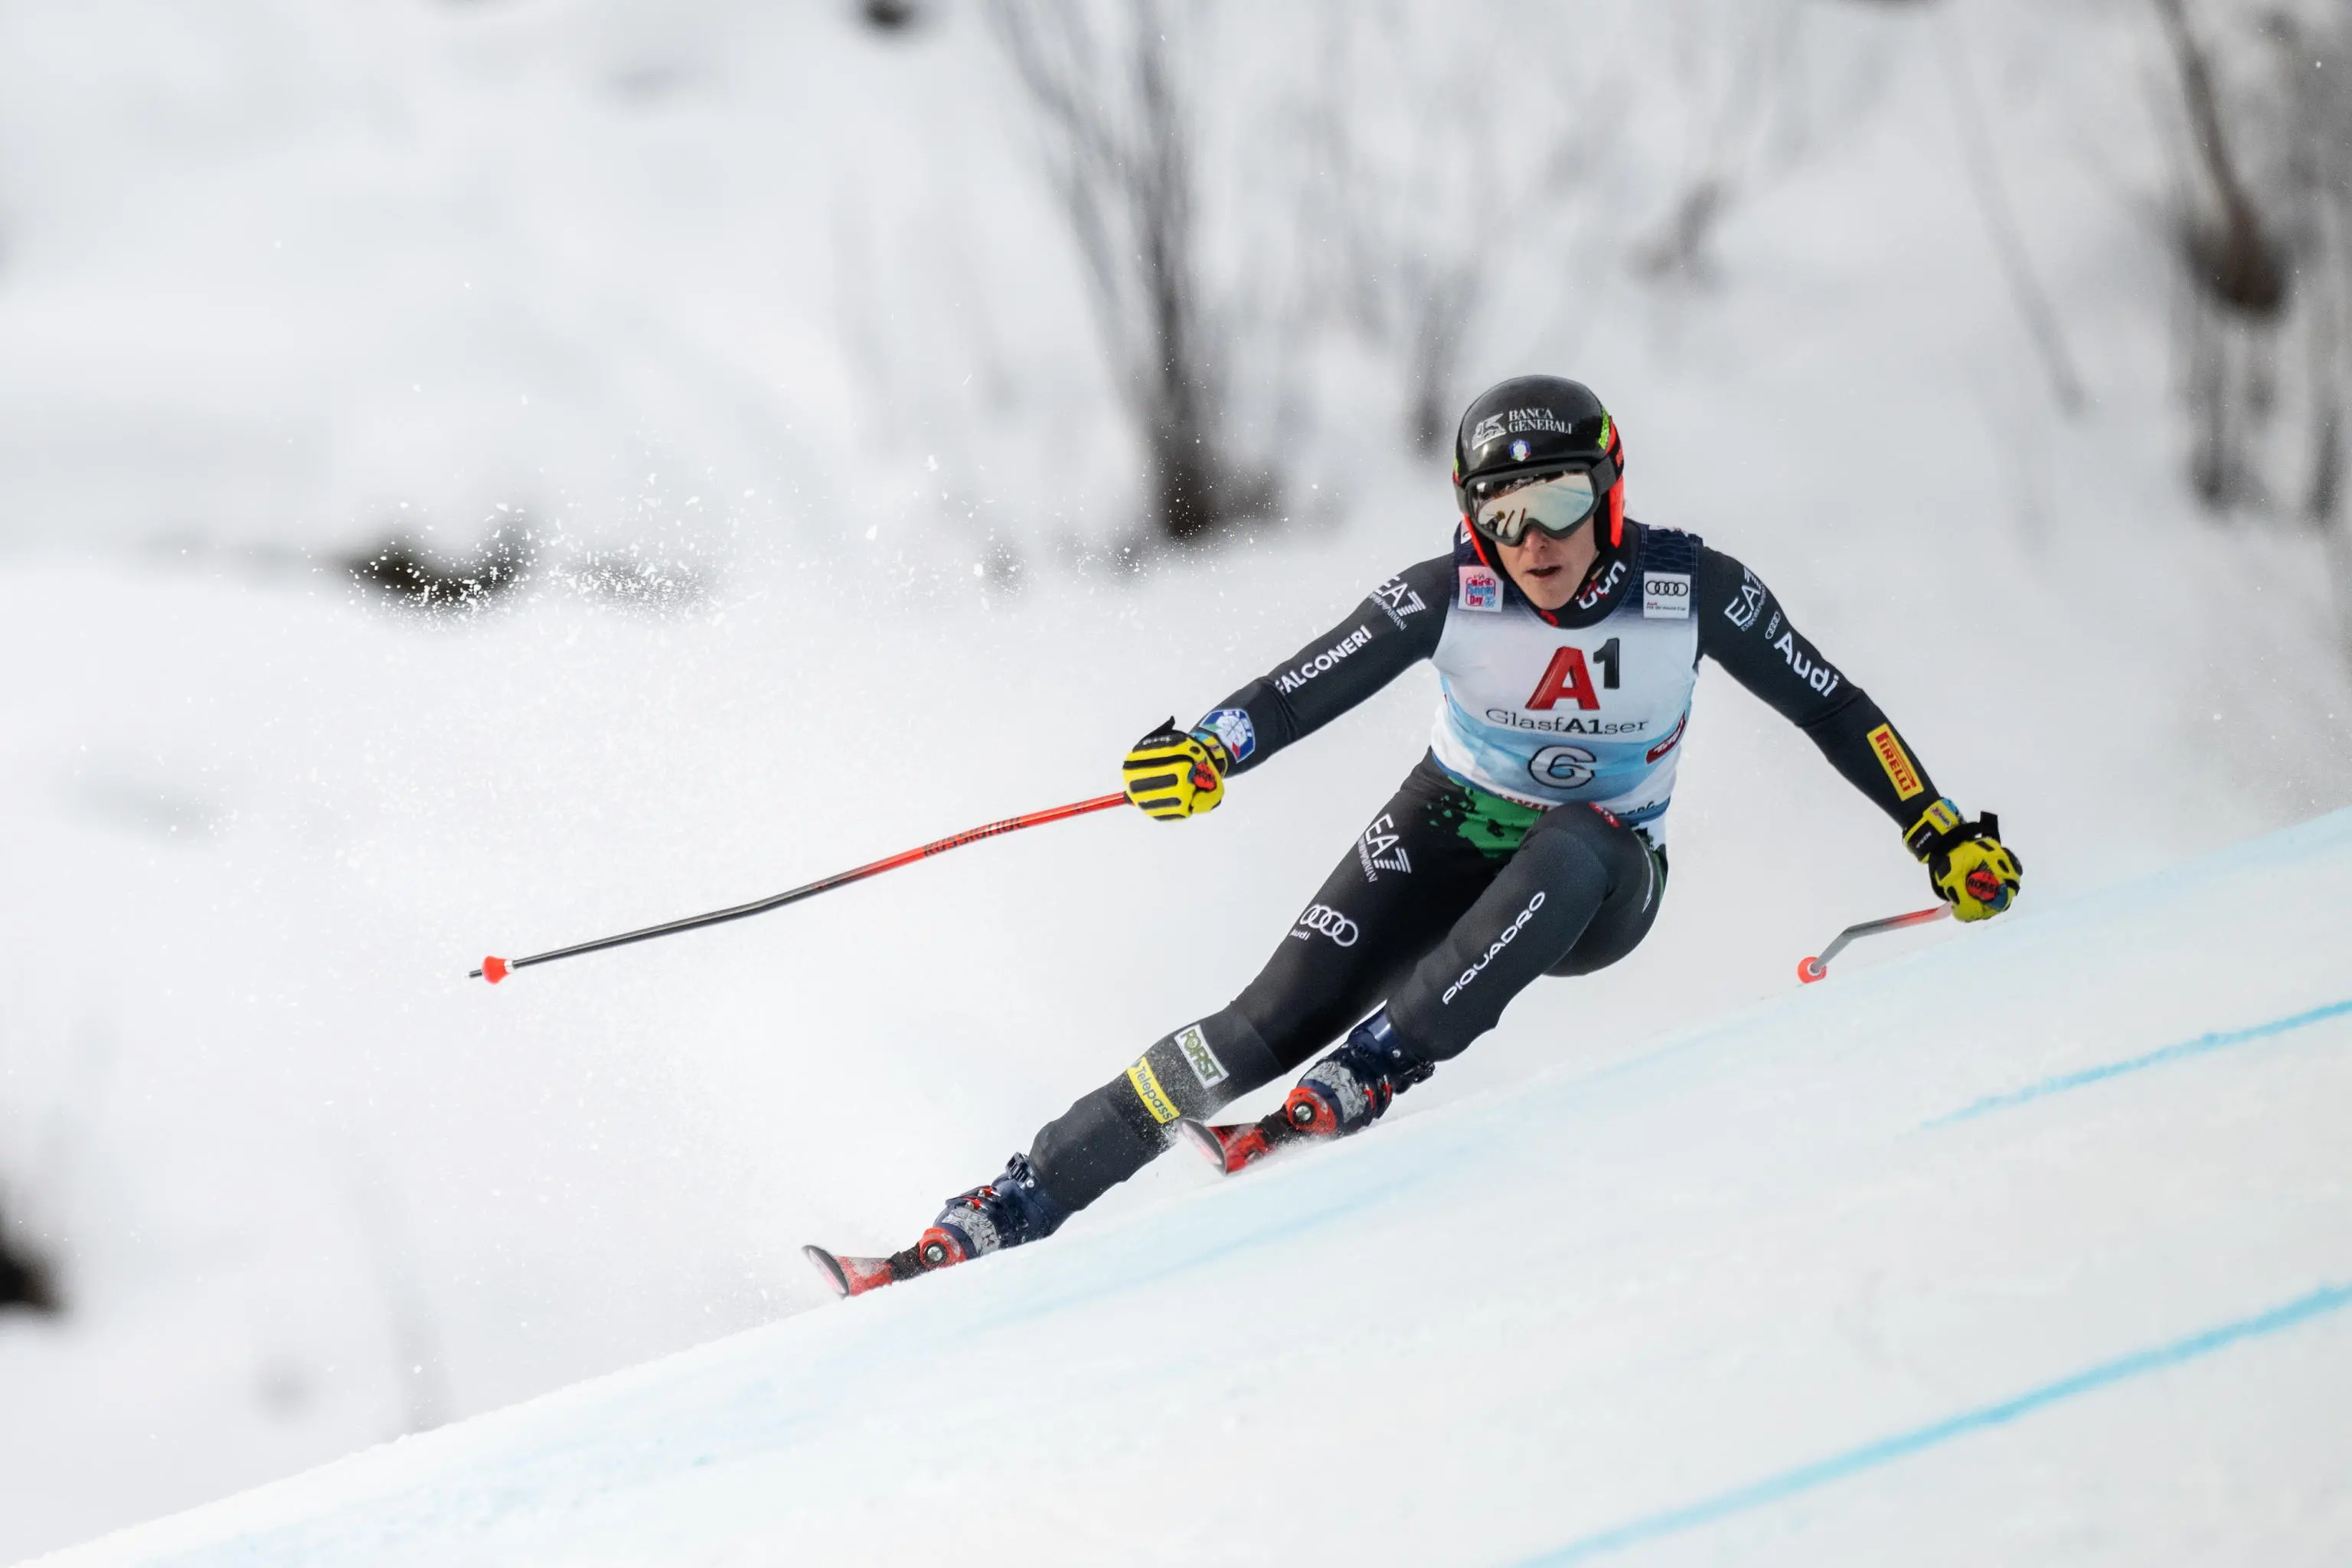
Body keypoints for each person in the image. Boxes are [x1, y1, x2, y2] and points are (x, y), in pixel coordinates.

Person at [805, 374, 2022, 1297]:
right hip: (1444, 829)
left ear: (1612, 492)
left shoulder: (1690, 590)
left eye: (1560, 502)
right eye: (1504, 512)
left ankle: (1380, 1065)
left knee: (1583, 831)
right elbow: (1304, 684)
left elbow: (1831, 702)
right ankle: (1012, 1201)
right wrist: (1213, 748)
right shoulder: (1453, 592)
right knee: (1255, 1028)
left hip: (1598, 883)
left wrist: (1937, 829)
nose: (1535, 539)